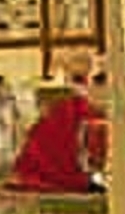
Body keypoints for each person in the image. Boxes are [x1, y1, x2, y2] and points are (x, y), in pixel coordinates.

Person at [9, 51, 107, 193]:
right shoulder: (65, 115)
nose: (86, 85)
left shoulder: (77, 111)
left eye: (99, 79)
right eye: (79, 80)